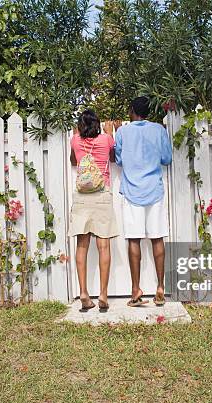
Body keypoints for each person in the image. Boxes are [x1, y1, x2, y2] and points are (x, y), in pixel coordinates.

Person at [114, 96, 172, 307]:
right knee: (157, 238)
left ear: (132, 111)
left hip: (132, 193)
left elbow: (119, 160)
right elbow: (167, 159)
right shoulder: (158, 130)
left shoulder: (122, 132)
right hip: (154, 191)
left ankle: (135, 290)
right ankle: (160, 287)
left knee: (134, 240)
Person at [68, 109, 119, 313]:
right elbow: (114, 159)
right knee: (103, 246)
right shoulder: (106, 139)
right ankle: (103, 295)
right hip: (101, 194)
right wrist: (111, 134)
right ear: (97, 124)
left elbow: (74, 161)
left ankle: (83, 293)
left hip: (81, 196)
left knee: (82, 245)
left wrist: (77, 137)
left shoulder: (75, 140)